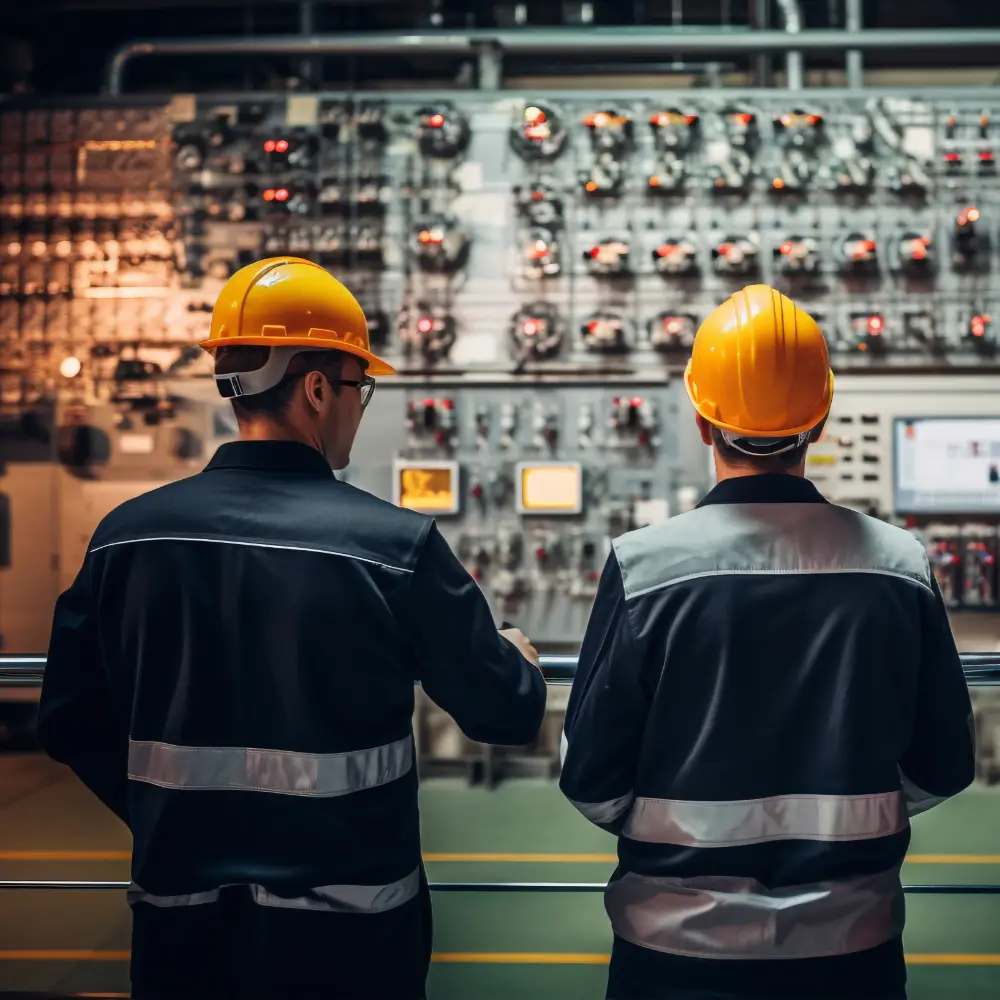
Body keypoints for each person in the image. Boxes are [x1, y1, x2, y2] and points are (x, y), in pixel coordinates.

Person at [37, 257, 547, 1000]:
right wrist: (515, 659)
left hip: (182, 930)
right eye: (358, 387)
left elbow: (68, 719)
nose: (359, 406)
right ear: (315, 389)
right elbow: (506, 712)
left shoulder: (125, 539)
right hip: (350, 940)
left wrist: (168, 815)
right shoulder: (393, 549)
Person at [559, 284, 976, 1000]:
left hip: (672, 951)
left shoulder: (644, 566)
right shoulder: (899, 566)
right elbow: (945, 763)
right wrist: (850, 813)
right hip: (854, 951)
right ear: (819, 422)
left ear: (700, 420)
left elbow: (591, 779)